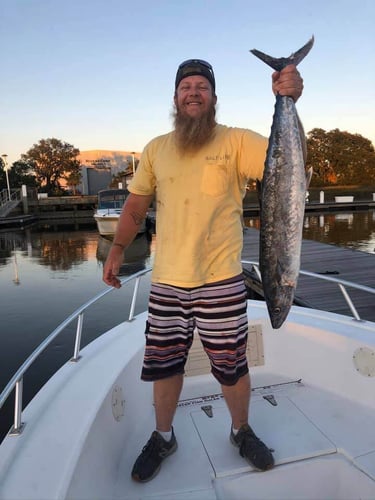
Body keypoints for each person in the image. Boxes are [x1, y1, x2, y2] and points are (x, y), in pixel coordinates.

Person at [103, 58, 304, 482]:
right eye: (186, 86)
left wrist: (289, 99)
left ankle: (241, 430)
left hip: (221, 280)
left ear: (213, 98)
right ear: (175, 97)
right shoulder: (156, 148)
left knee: (232, 365)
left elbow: (289, 161)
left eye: (202, 86)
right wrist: (118, 246)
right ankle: (163, 436)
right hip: (168, 282)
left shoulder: (235, 142)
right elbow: (137, 204)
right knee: (165, 366)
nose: (193, 92)